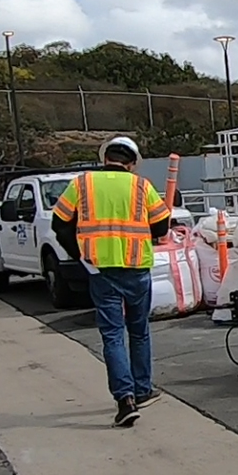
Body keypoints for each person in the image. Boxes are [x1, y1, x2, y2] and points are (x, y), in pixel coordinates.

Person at [51, 136, 171, 428]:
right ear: (131, 163)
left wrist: (80, 254)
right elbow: (162, 224)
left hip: (100, 270)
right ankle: (142, 390)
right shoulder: (141, 186)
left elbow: (59, 223)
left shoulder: (82, 183)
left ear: (106, 158)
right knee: (139, 332)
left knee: (112, 334)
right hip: (136, 268)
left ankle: (124, 399)